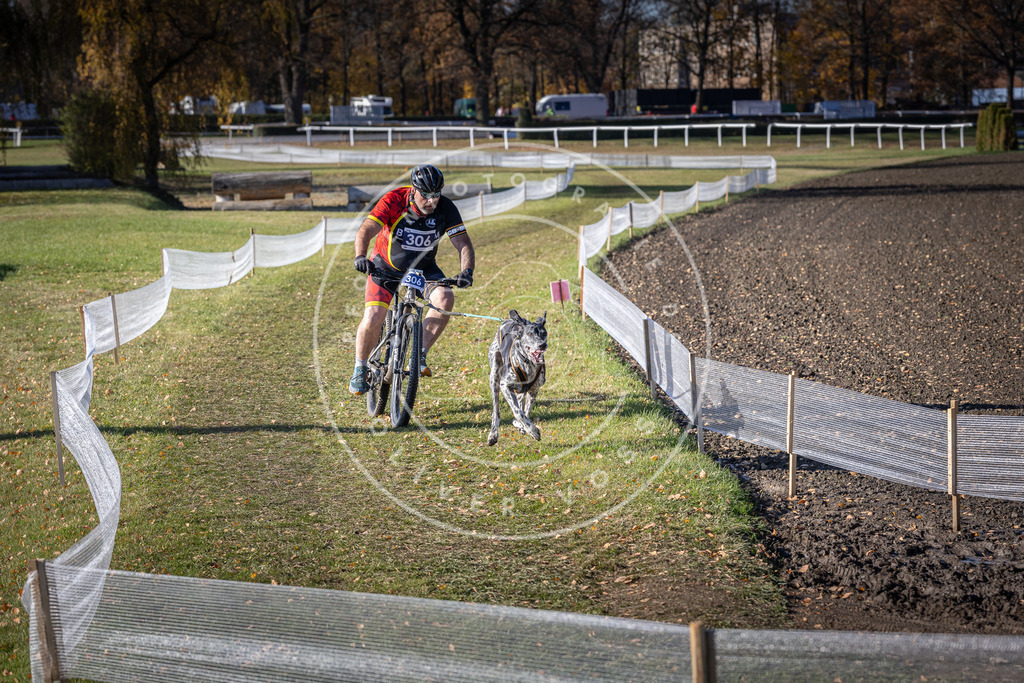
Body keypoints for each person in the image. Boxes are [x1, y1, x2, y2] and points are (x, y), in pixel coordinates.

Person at [349, 164, 476, 395]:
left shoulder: (445, 207)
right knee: (374, 315)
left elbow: (463, 243)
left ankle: (419, 355)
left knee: (445, 298)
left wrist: (466, 271)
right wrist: (360, 256)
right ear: (413, 190)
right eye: (425, 195)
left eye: (436, 194)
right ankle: (360, 367)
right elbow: (366, 229)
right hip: (385, 267)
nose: (431, 201)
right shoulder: (394, 200)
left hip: (423, 269)